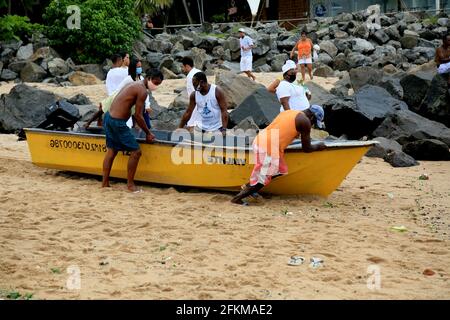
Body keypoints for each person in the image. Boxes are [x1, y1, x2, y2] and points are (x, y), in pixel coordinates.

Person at [231, 106, 326, 205]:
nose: (312, 125)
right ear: (311, 117)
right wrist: (319, 146)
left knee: (281, 170)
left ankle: (250, 187)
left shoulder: (289, 112)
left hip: (263, 140)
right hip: (268, 147)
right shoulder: (305, 121)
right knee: (262, 179)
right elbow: (307, 148)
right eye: (314, 122)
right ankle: (237, 199)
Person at [102, 70, 156, 193]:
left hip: (109, 118)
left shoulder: (134, 85)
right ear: (149, 78)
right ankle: (130, 185)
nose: (156, 86)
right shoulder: (142, 91)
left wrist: (138, 125)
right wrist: (148, 133)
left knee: (112, 150)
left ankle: (105, 183)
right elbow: (138, 115)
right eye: (155, 82)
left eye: (158, 84)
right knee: (136, 152)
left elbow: (128, 106)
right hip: (117, 122)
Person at [181, 57, 202, 129]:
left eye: (182, 67)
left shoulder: (190, 76)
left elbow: (193, 92)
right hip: (204, 101)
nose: (182, 69)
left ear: (186, 66)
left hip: (195, 103)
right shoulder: (199, 72)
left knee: (192, 124)